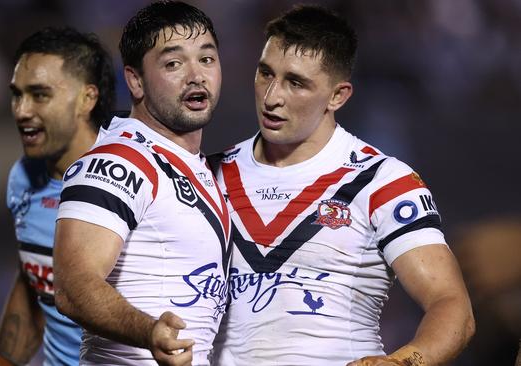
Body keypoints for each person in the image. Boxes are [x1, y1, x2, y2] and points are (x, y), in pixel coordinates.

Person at [210, 5, 475, 366]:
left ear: (338, 96)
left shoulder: (383, 182)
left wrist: (403, 362)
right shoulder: (208, 175)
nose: (272, 96)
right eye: (265, 73)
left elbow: (451, 304)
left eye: (296, 82)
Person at [53, 1, 228, 366]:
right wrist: (149, 331)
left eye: (207, 60)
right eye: (173, 63)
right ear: (135, 80)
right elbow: (73, 285)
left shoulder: (196, 169)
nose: (196, 75)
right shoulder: (119, 160)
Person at [0, 27, 115, 366]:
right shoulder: (22, 178)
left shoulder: (141, 181)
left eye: (40, 95)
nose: (21, 110)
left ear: (88, 99)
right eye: (17, 94)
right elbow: (35, 286)